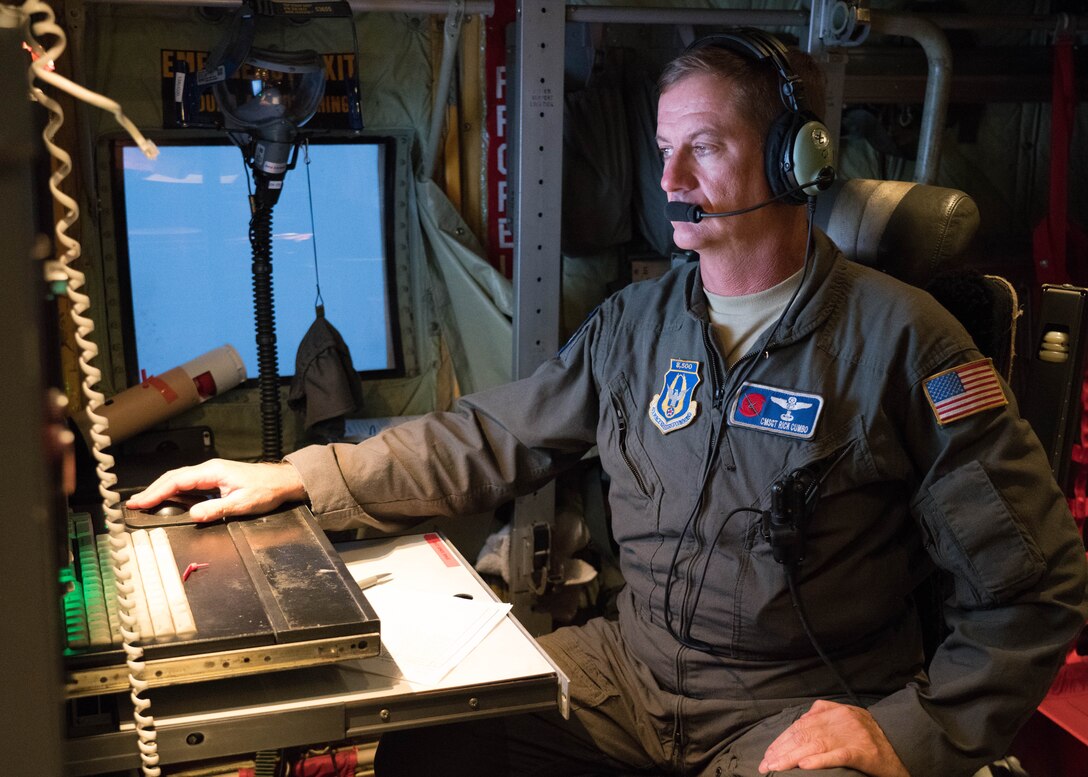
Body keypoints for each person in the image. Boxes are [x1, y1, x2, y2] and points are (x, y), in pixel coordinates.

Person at [128, 29, 1088, 777]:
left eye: (701, 150)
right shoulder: (642, 320)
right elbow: (492, 435)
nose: (667, 182)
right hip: (633, 672)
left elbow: (1034, 589)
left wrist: (907, 732)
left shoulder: (906, 341)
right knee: (433, 745)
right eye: (664, 150)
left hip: (793, 703)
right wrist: (299, 476)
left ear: (798, 160)